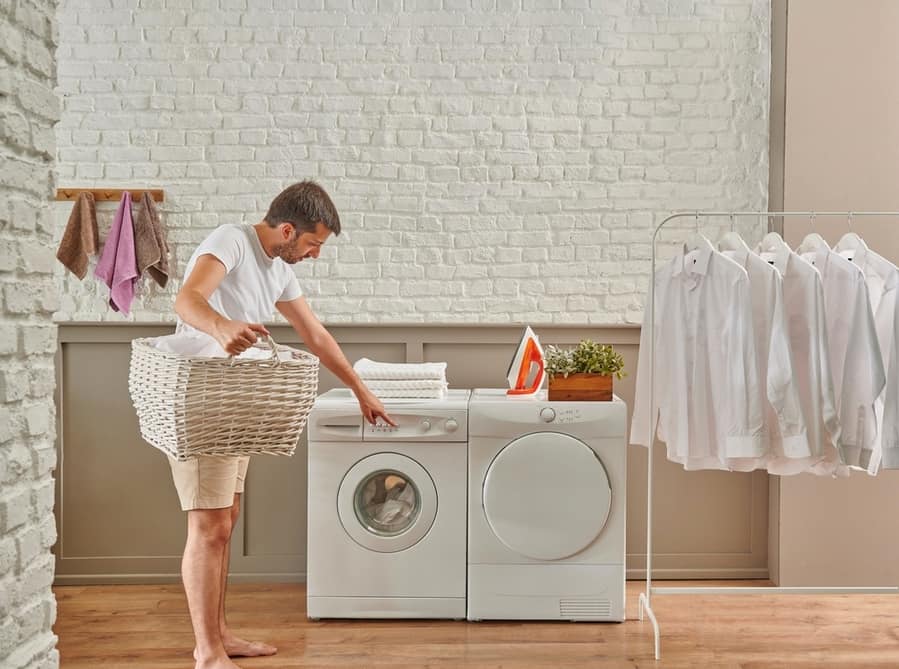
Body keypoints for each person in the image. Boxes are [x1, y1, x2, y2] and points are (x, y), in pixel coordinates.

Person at [172, 181, 395, 669]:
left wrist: (360, 389)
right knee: (208, 527)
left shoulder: (278, 268)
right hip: (201, 400)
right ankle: (207, 652)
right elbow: (187, 300)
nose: (314, 255)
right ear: (288, 230)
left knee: (224, 523)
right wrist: (222, 326)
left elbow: (314, 334)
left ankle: (220, 635)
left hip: (237, 403)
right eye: (313, 244)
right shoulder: (231, 239)